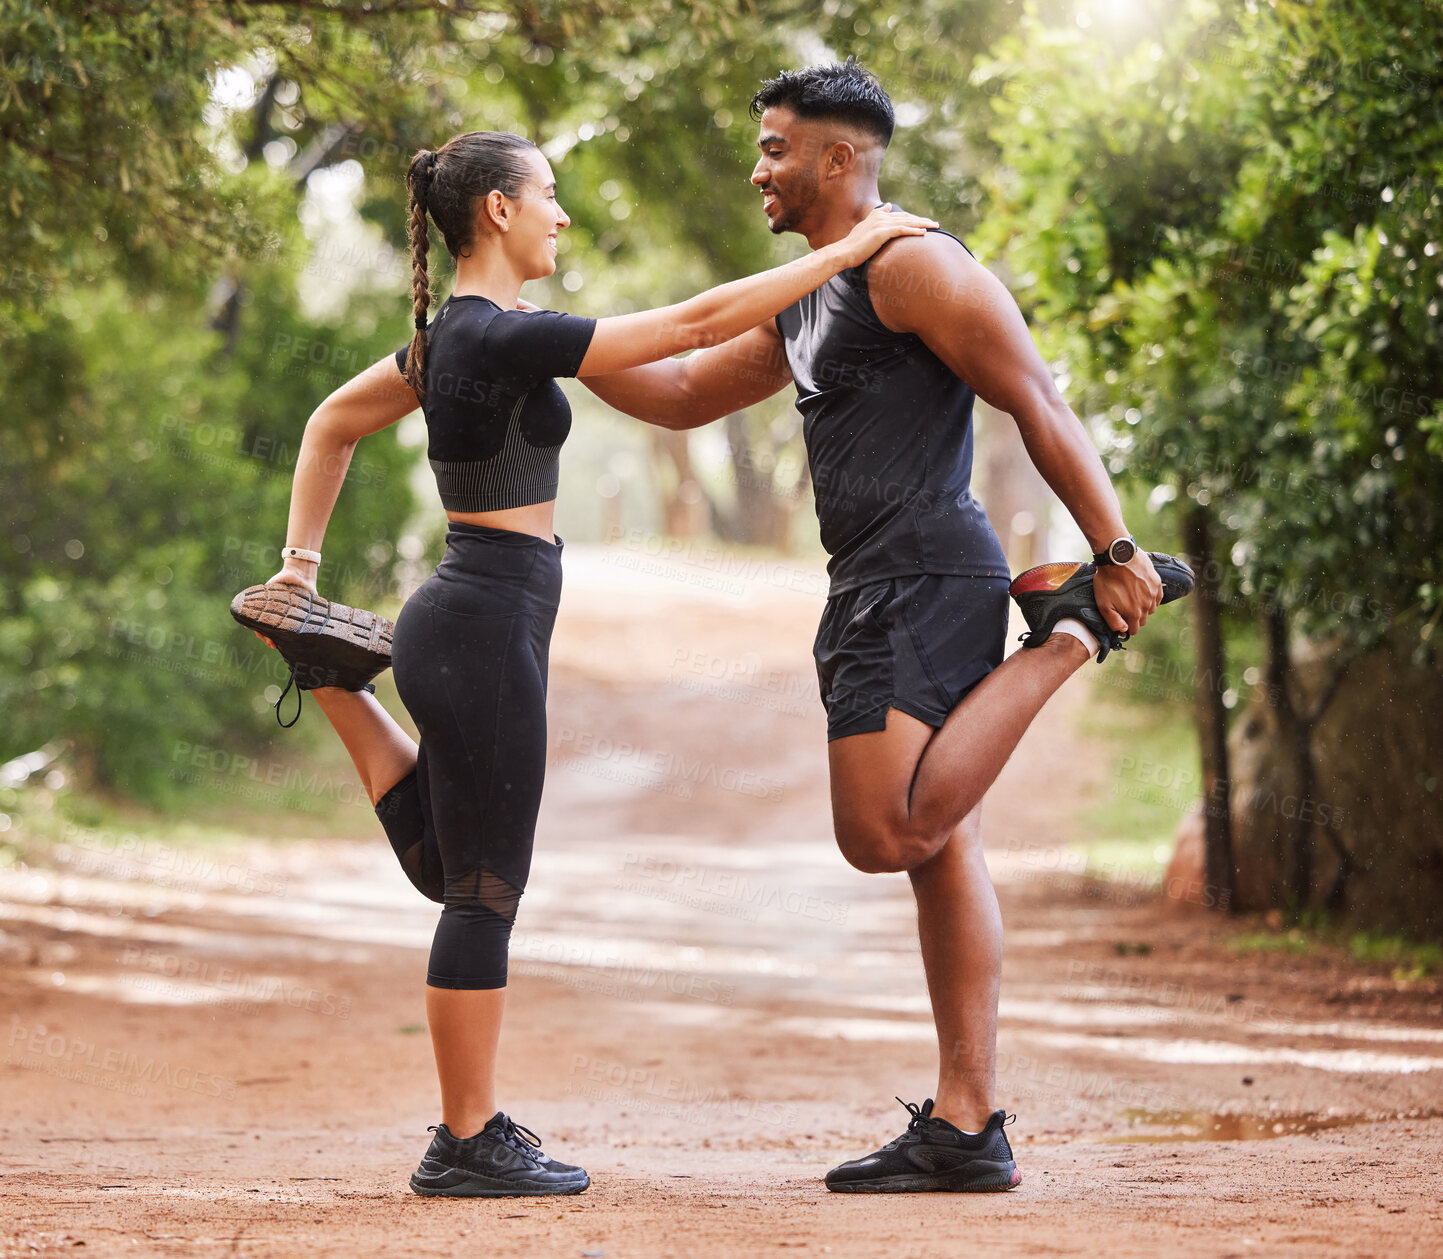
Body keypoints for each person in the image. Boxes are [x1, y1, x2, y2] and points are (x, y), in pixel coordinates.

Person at [229, 127, 937, 1198]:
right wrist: (851, 251)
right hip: (483, 625)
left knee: (447, 867)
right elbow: (693, 325)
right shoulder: (497, 336)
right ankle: (465, 1140)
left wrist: (299, 565)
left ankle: (330, 675)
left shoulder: (452, 339)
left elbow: (331, 424)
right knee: (479, 892)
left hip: (465, 621)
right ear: (499, 212)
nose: (562, 214)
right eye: (548, 196)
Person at [579, 61, 1194, 1193]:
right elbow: (677, 391)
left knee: (884, 832)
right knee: (941, 837)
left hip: (922, 574)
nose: (758, 168)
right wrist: (544, 342)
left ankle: (1065, 635)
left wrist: (1111, 553)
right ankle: (968, 1124)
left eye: (774, 148)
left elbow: (1036, 397)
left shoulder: (915, 264)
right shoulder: (814, 289)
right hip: (873, 579)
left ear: (837, 158)